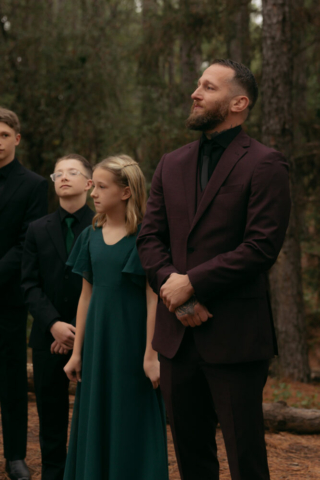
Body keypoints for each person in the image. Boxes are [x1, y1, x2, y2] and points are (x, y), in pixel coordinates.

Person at [137, 59, 291, 480]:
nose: (194, 92)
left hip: (236, 336)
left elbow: (261, 247)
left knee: (246, 460)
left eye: (207, 86)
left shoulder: (266, 163)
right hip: (176, 338)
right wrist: (175, 291)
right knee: (191, 458)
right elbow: (149, 238)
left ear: (239, 102)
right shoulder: (171, 163)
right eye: (196, 84)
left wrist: (195, 284)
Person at [62, 155, 169, 480]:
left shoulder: (145, 238)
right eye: (92, 184)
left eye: (101, 186)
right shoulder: (91, 234)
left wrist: (151, 356)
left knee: (130, 416)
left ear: (125, 191)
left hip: (132, 341)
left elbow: (154, 301)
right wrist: (77, 352)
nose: (93, 192)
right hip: (97, 342)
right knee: (97, 414)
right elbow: (86, 296)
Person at [21, 154, 94, 480]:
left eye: (73, 172)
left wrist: (80, 332)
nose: (63, 177)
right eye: (58, 173)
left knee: (93, 414)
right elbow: (29, 284)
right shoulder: (37, 229)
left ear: (89, 183)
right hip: (47, 337)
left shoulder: (102, 226)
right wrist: (53, 325)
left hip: (93, 336)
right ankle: (54, 474)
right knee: (50, 417)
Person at [0, 107, 48, 480]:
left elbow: (25, 244)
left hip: (7, 300)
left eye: (4, 135)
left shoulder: (33, 185)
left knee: (12, 380)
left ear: (16, 139)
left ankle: (15, 456)